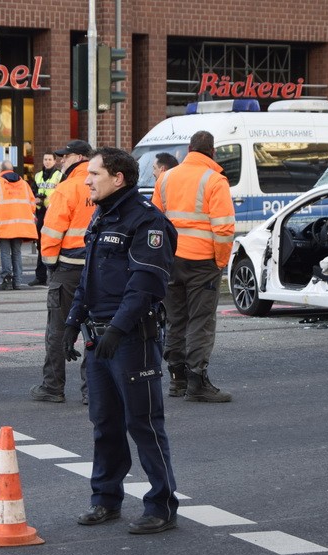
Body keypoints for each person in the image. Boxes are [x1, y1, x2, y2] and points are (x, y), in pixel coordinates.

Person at [63, 147, 179, 534]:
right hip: (99, 338)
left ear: (119, 178)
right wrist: (71, 323)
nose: (87, 179)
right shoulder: (102, 216)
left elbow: (144, 286)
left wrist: (116, 330)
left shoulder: (146, 222)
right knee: (105, 424)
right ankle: (105, 499)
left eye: (94, 173)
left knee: (143, 422)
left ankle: (161, 504)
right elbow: (89, 280)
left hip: (132, 339)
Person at [151, 130, 234, 402]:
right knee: (200, 321)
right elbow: (223, 229)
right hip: (202, 262)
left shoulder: (165, 178)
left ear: (189, 149)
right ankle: (197, 380)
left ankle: (177, 379)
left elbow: (156, 223)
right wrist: (220, 260)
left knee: (176, 318)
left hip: (171, 259)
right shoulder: (215, 180)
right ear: (212, 151)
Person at [31, 140, 94, 404]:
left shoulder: (66, 188)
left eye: (65, 157)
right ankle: (93, 391)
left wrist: (49, 265)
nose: (61, 161)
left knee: (57, 330)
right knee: (95, 330)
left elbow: (51, 231)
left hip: (67, 268)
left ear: (78, 157)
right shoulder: (105, 184)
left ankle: (52, 387)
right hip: (97, 270)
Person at [0, 161, 38, 290]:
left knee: (5, 252)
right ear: (12, 170)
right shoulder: (24, 184)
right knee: (17, 253)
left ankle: (7, 280)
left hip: (3, 225)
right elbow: (32, 205)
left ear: (1, 170)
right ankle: (18, 281)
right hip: (20, 225)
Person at [29, 152, 62, 286]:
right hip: (41, 213)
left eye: (49, 159)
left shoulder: (60, 176)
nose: (47, 161)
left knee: (53, 243)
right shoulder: (37, 176)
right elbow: (32, 192)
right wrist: (36, 198)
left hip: (54, 213)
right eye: (45, 159)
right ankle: (40, 276)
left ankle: (52, 275)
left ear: (55, 161)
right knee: (41, 245)